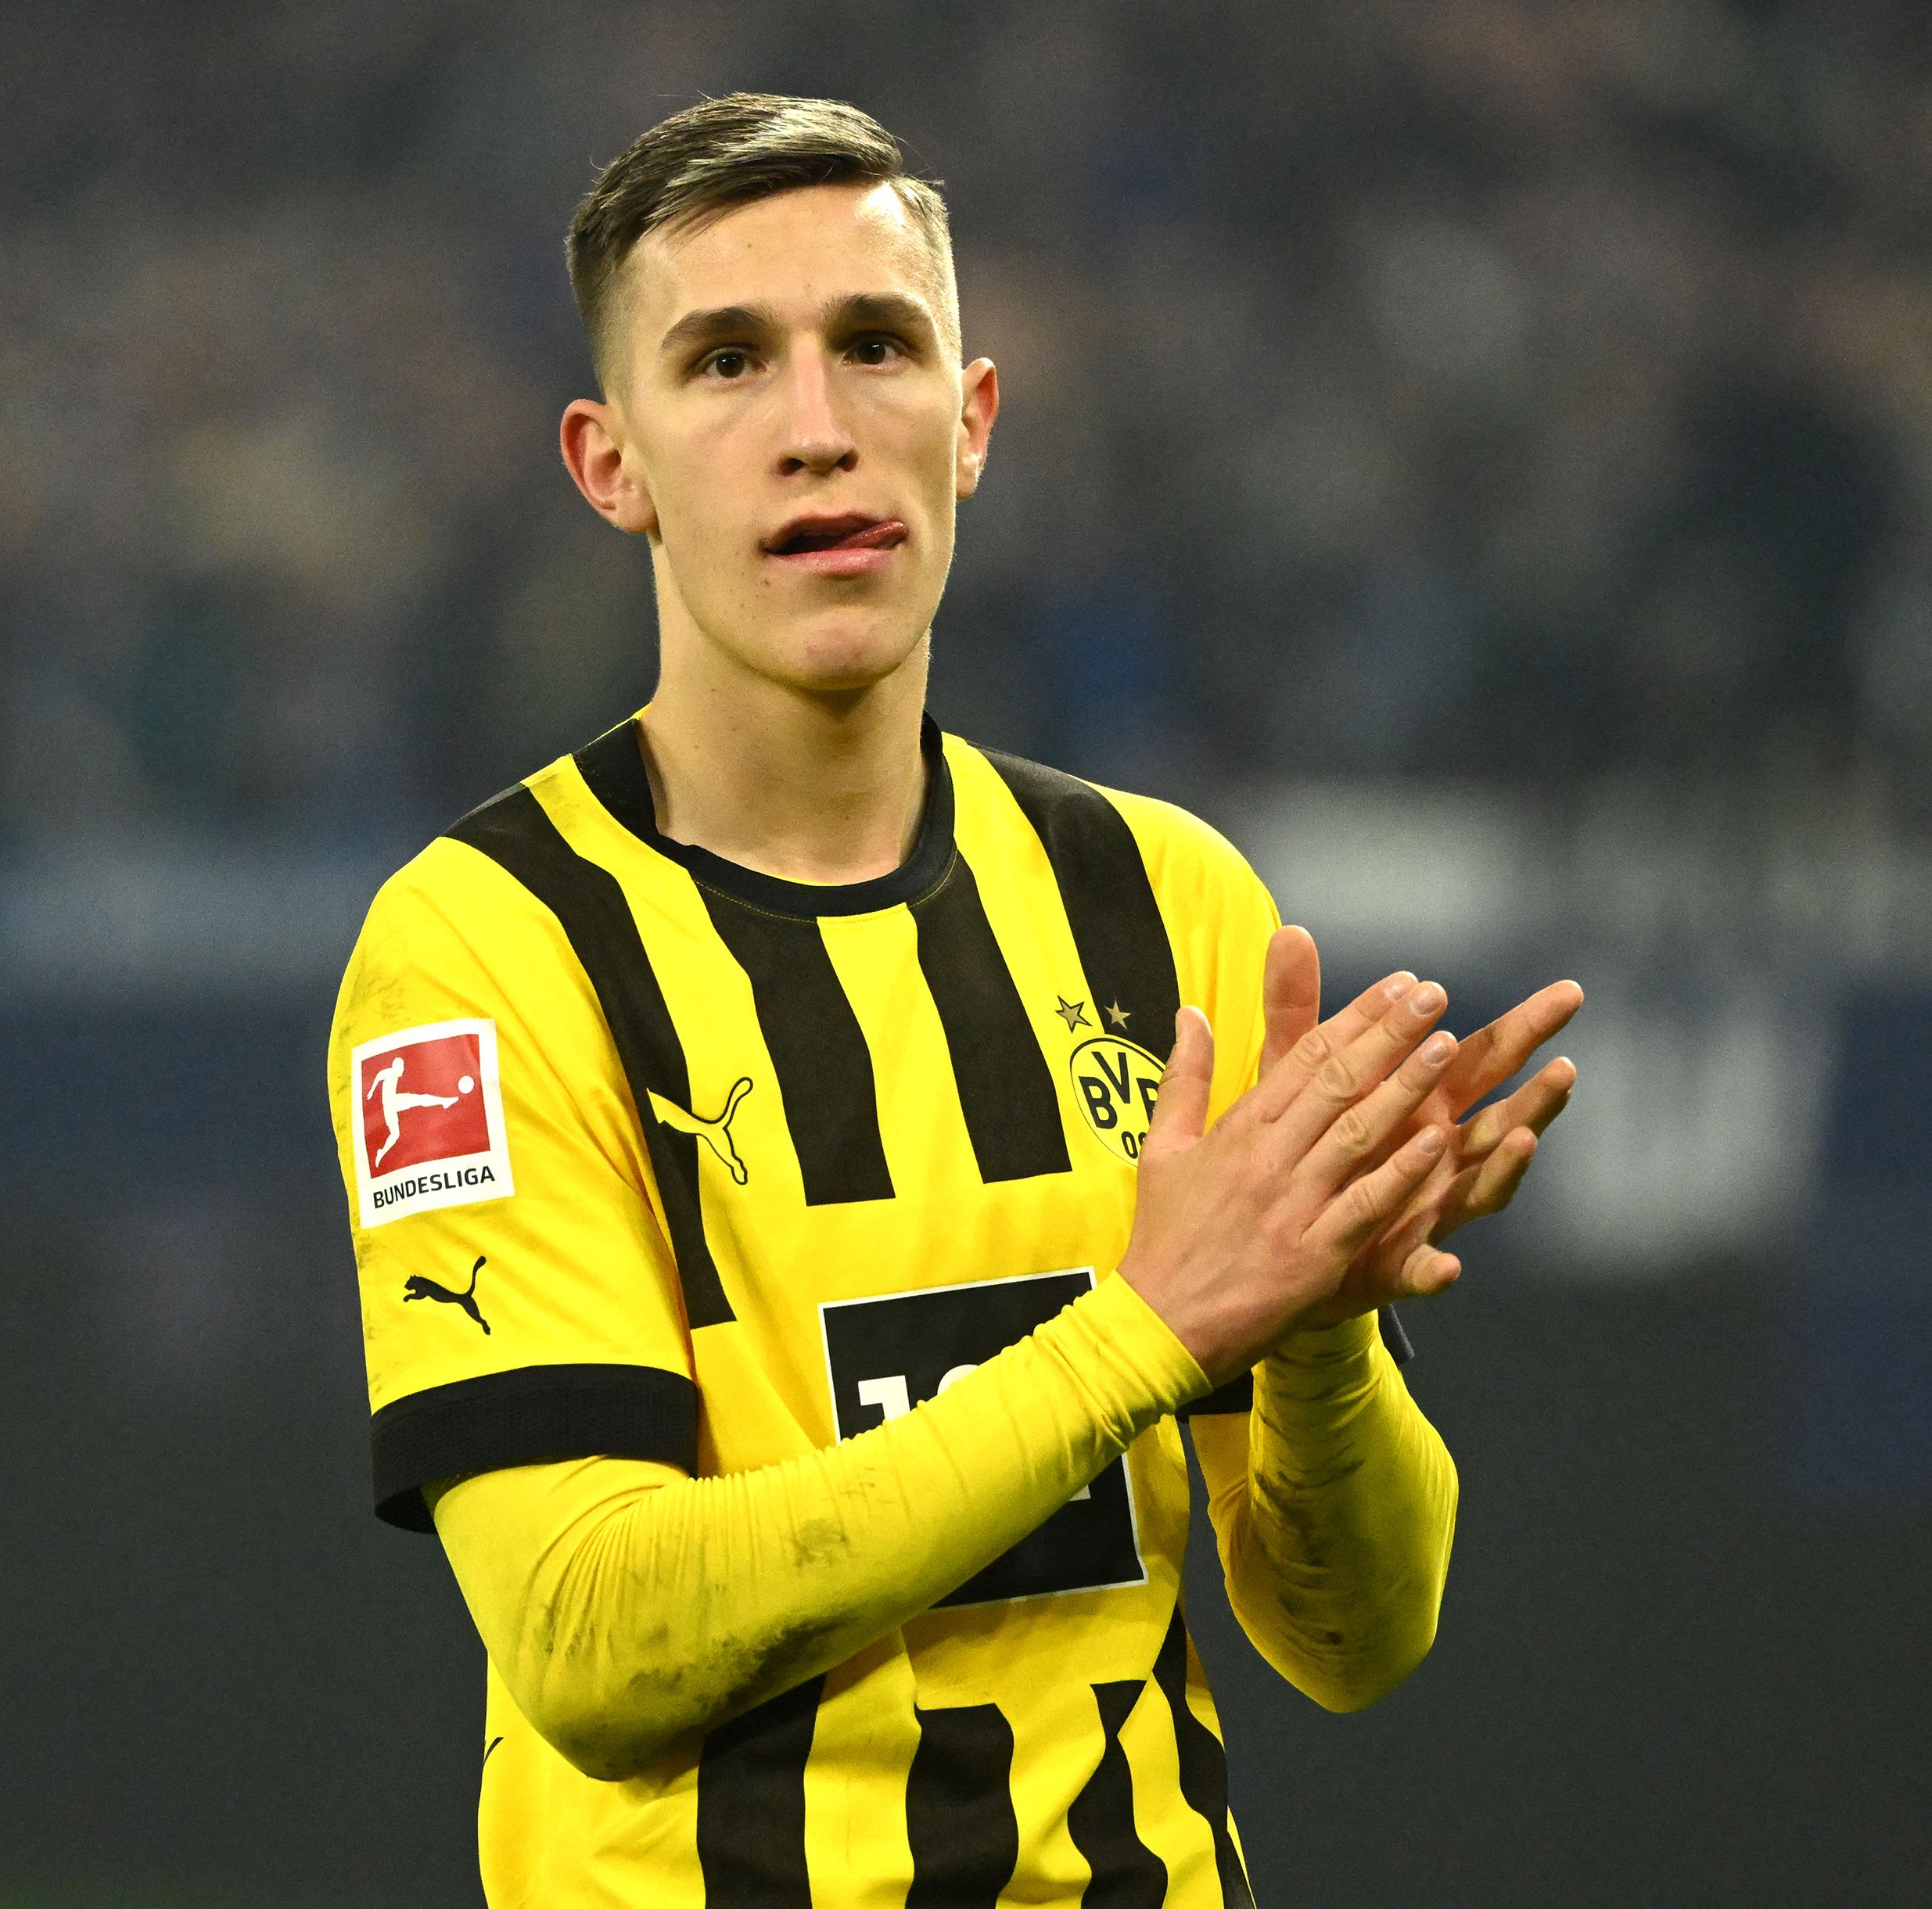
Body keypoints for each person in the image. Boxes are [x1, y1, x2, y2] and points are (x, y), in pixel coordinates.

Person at [327, 93, 1582, 1906]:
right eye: (729, 363)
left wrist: (1310, 1327)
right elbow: (589, 1638)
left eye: (877, 348)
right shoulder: (489, 949)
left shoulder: (1164, 906)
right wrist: (1142, 1334)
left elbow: (1353, 1640)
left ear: (971, 421)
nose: (819, 431)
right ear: (613, 465)